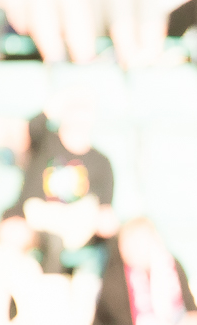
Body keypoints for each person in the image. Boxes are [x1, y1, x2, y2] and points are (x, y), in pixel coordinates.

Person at [9, 92, 118, 274]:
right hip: (36, 220)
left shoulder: (102, 162)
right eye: (75, 109)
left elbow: (104, 209)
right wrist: (59, 101)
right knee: (17, 233)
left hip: (76, 227)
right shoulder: (45, 142)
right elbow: (31, 128)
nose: (79, 116)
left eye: (84, 110)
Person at [88, 217, 197, 325]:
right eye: (127, 244)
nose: (131, 250)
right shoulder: (115, 274)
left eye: (139, 243)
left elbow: (193, 314)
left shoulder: (172, 266)